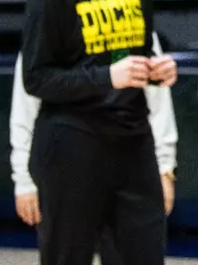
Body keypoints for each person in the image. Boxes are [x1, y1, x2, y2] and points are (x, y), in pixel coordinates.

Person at [20, 0, 177, 265]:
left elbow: (136, 55)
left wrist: (156, 71)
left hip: (132, 141)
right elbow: (36, 79)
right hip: (73, 142)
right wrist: (108, 76)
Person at [10, 28, 178, 265]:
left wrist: (165, 168)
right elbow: (25, 107)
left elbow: (158, 100)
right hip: (66, 165)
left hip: (128, 164)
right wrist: (24, 180)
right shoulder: (50, 22)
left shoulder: (134, 19)